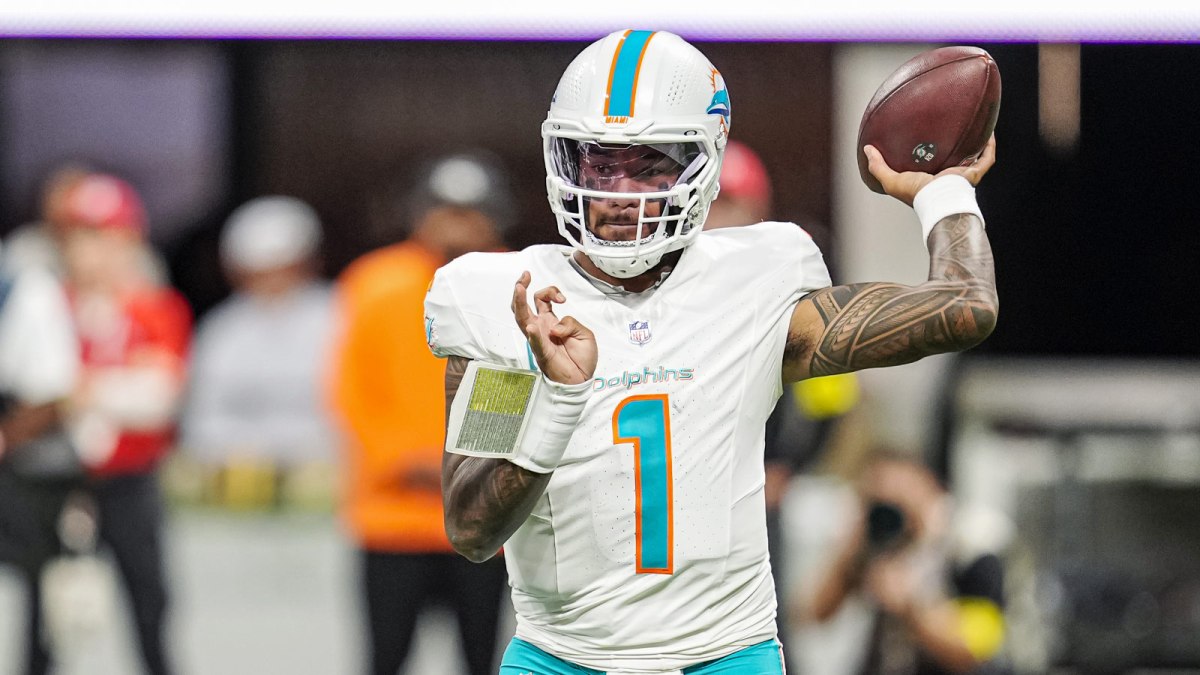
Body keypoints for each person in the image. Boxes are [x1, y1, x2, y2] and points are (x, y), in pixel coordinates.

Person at [423, 29, 998, 674]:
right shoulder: (512, 303)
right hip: (562, 658)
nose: (618, 191)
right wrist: (557, 401)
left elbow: (964, 308)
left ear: (703, 165)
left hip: (726, 656)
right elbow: (472, 531)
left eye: (649, 165)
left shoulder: (753, 284)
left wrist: (944, 192)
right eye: (599, 163)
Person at [328, 151, 512, 675]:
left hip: (483, 520)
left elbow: (517, 375)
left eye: (470, 212)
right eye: (445, 210)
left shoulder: (514, 280)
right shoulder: (373, 282)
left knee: (482, 659)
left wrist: (472, 464)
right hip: (391, 517)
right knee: (385, 658)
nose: (456, 224)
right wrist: (401, 459)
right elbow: (351, 388)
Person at [60, 172, 191, 675]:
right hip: (62, 480)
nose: (93, 252)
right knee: (54, 609)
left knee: (148, 603)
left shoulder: (155, 308)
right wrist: (112, 386)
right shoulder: (52, 306)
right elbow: (34, 389)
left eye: (106, 238)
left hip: (131, 478)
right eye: (82, 238)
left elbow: (158, 400)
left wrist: (83, 389)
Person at [179, 196, 338, 506]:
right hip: (238, 483)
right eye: (259, 271)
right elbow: (202, 416)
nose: (272, 280)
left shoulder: (341, 316)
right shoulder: (221, 330)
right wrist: (249, 454)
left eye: (283, 267)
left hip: (327, 479)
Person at [802, 451, 1012, 675]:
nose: (890, 512)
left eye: (899, 498)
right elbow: (812, 614)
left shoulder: (968, 546)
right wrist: (851, 549)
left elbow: (978, 650)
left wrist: (912, 607)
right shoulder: (875, 542)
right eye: (878, 500)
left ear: (927, 485)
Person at [0, 239, 83, 675]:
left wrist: (5, 436)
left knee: (27, 599)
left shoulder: (24, 287)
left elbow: (51, 394)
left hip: (24, 473)